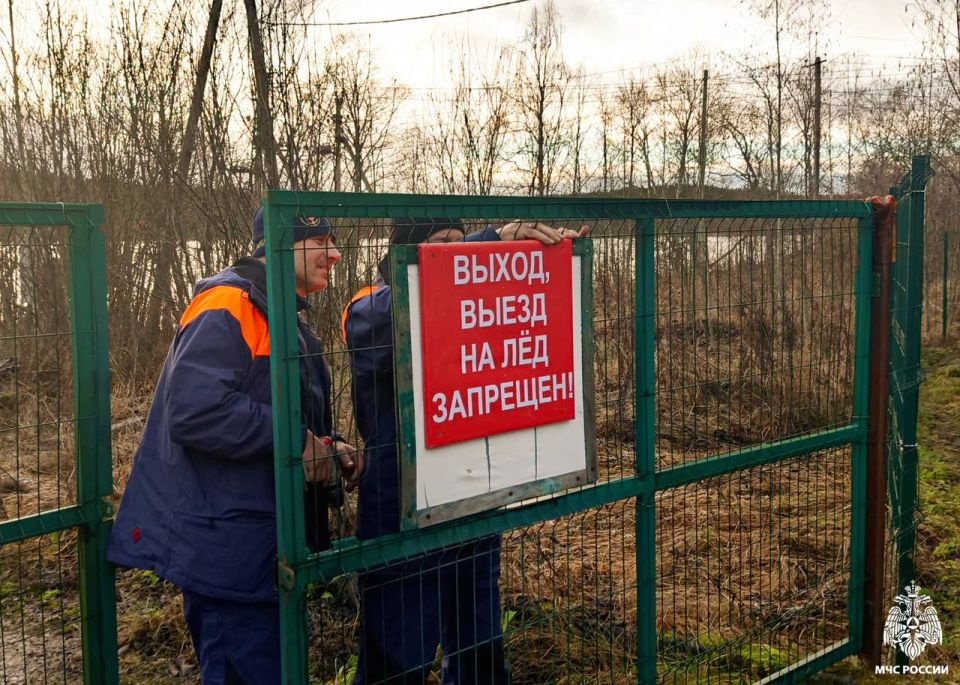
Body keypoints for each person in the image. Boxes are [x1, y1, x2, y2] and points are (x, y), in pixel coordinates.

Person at [108, 208, 362, 685]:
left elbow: (280, 409)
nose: (335, 254)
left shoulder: (282, 312)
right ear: (281, 246)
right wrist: (296, 442)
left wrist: (330, 445)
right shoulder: (228, 304)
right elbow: (196, 411)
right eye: (321, 241)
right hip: (229, 552)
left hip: (262, 543)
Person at [343, 218, 586, 685]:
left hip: (473, 500)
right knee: (399, 653)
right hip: (402, 511)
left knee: (479, 644)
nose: (459, 258)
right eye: (442, 247)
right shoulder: (370, 306)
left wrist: (555, 263)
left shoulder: (481, 299)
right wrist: (488, 243)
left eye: (461, 244)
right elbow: (406, 304)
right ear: (405, 254)